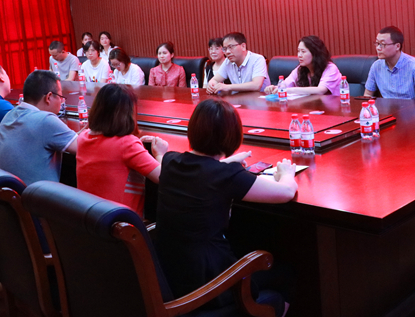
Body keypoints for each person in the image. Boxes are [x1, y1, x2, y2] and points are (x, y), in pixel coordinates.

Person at [156, 99, 296, 316]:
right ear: (232, 135)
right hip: (210, 287)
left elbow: (203, 171)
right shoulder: (226, 175)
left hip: (174, 278)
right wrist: (287, 173)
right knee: (286, 273)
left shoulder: (170, 161)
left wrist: (226, 165)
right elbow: (286, 193)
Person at [76, 84, 167, 216]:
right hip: (122, 223)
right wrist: (160, 154)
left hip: (90, 218)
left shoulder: (83, 137)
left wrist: (137, 147)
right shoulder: (127, 144)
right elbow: (163, 177)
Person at [0, 70, 86, 185]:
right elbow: (85, 147)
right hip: (36, 195)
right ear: (49, 97)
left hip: (7, 192)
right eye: (61, 97)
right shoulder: (46, 120)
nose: (61, 102)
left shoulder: (9, 115)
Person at [364, 26, 415, 100]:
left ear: (397, 46)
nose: (378, 48)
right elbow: (367, 95)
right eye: (377, 43)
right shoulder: (376, 66)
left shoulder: (414, 65)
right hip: (386, 107)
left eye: (382, 44)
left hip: (410, 107)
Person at [264, 36, 342, 96]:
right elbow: (285, 84)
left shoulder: (330, 68)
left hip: (334, 109)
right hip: (311, 107)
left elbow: (321, 90)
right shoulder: (300, 69)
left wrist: (289, 90)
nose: (299, 55)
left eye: (303, 52)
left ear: (315, 54)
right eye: (298, 51)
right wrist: (275, 88)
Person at [206, 32, 270, 94]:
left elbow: (256, 85)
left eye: (231, 47)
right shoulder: (228, 61)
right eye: (225, 48)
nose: (227, 52)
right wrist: (212, 85)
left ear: (243, 46)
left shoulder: (257, 59)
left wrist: (227, 87)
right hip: (238, 98)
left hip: (259, 99)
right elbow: (215, 80)